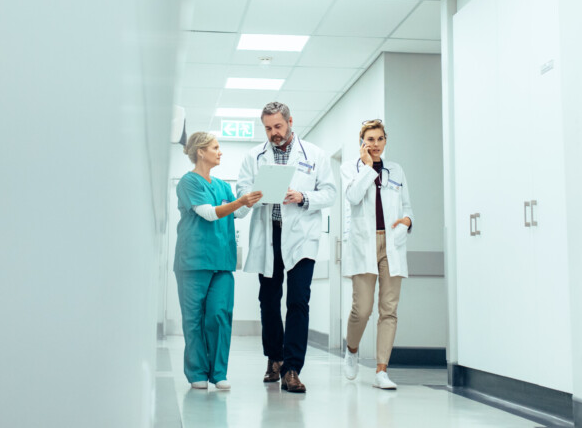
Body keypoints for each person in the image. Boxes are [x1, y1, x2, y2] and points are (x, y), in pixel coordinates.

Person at [237, 102, 336, 393]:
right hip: (269, 237)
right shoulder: (253, 156)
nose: (273, 133)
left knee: (297, 302)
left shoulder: (315, 155)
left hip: (302, 238)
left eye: (278, 126)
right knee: (268, 302)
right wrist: (250, 196)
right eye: (268, 128)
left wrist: (302, 196)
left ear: (291, 121)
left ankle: (292, 368)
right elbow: (241, 192)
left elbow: (329, 192)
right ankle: (274, 359)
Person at [174, 131, 263, 390]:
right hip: (193, 261)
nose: (219, 151)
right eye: (215, 147)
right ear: (201, 152)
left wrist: (255, 199)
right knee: (194, 318)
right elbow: (210, 214)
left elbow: (239, 212)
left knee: (220, 316)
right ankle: (197, 373)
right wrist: (240, 202)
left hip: (223, 262)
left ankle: (219, 372)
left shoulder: (223, 186)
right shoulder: (188, 183)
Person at [340, 119, 414, 389]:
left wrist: (407, 220)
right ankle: (351, 349)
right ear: (362, 142)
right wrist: (368, 168)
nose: (375, 144)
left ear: (385, 141)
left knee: (389, 310)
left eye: (379, 139)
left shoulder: (397, 170)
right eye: (369, 139)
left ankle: (382, 370)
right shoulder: (351, 168)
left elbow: (407, 206)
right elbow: (354, 197)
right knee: (362, 309)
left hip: (392, 242)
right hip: (364, 243)